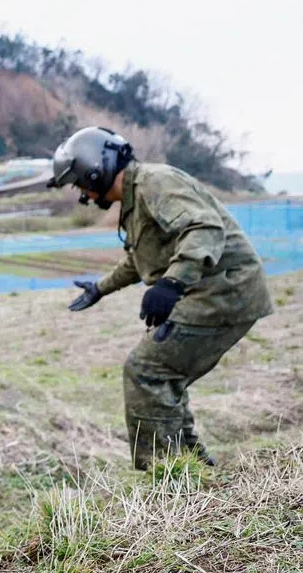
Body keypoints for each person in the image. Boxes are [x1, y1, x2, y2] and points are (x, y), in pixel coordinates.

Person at [50, 126, 273, 470]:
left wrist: (172, 283)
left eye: (79, 184)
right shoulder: (137, 195)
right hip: (212, 291)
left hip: (224, 292)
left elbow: (204, 228)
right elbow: (140, 258)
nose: (83, 195)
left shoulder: (156, 182)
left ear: (94, 172)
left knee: (148, 370)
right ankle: (190, 468)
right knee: (163, 374)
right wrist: (100, 289)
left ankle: (168, 477)